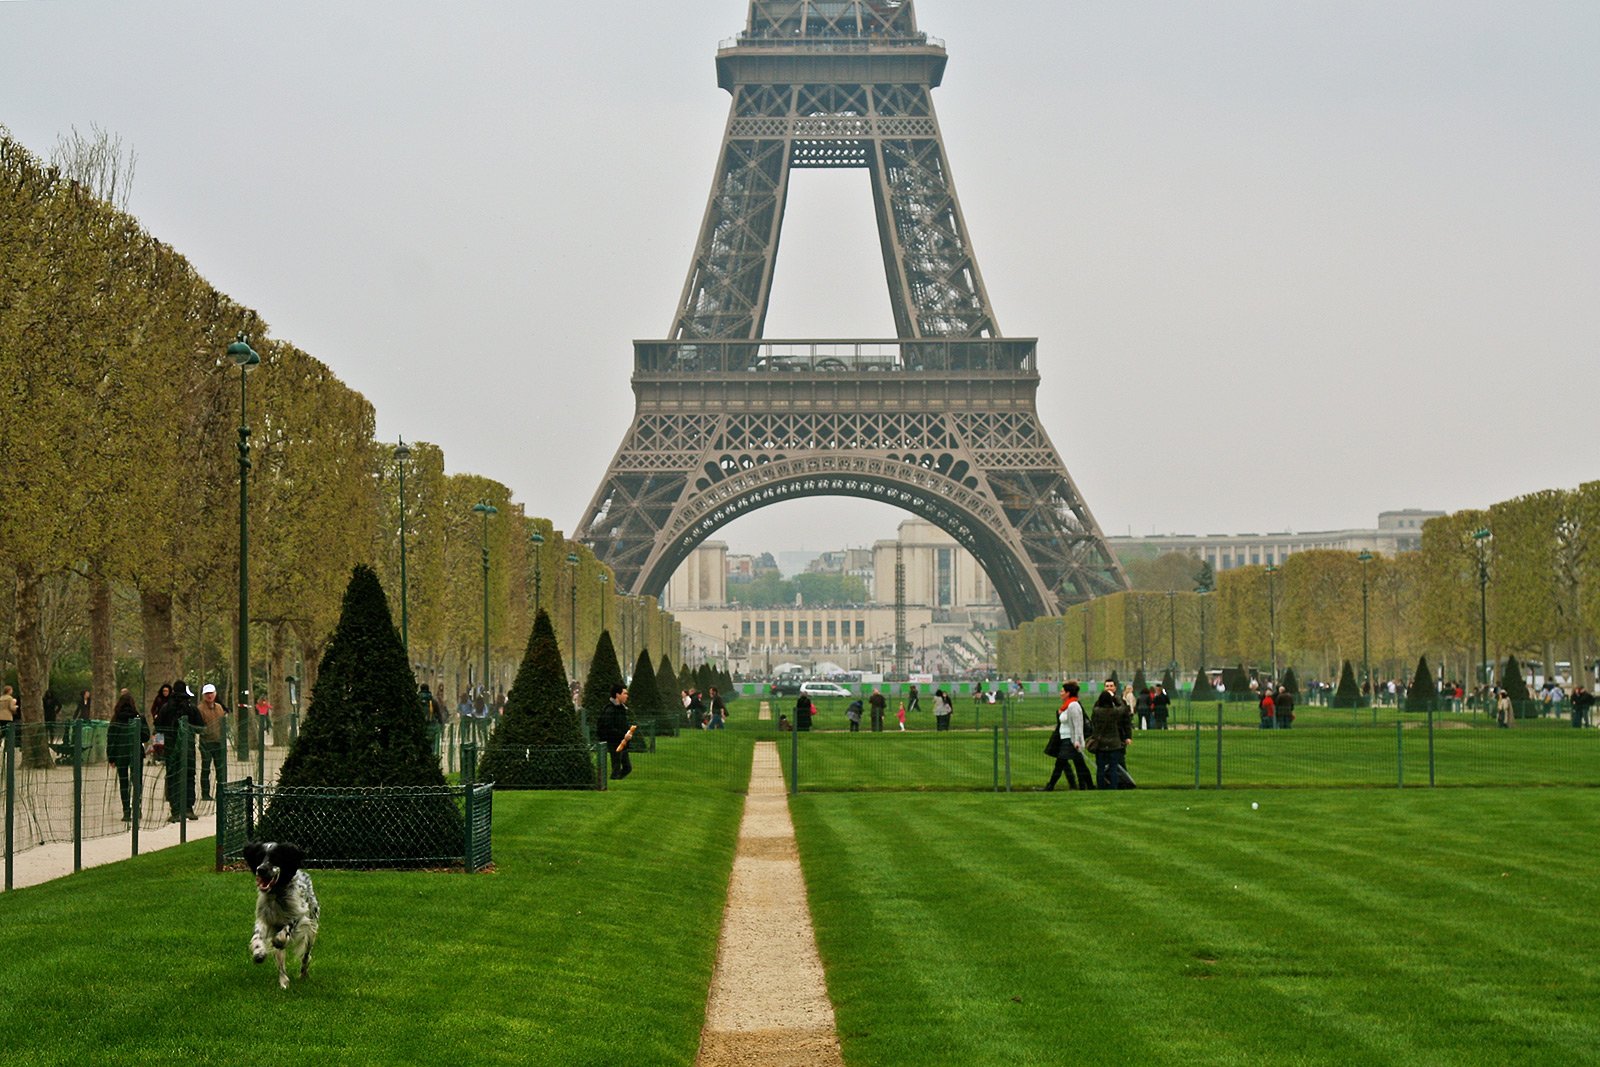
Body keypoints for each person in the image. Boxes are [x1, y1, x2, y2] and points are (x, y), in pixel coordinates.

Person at [154, 681, 205, 821]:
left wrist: (159, 746)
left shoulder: (166, 708)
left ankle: (175, 810)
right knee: (189, 776)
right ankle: (188, 808)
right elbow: (201, 727)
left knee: (173, 777)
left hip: (171, 748)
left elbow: (158, 727)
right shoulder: (191, 708)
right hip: (188, 748)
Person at [107, 689, 149, 822]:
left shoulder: (115, 720)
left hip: (120, 754)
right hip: (136, 752)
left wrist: (111, 757)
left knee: (123, 782)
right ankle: (137, 808)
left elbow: (111, 740)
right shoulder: (139, 718)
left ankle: (126, 810)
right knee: (137, 782)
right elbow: (146, 736)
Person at [1046, 682, 1093, 791]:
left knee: (1060, 764)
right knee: (1080, 765)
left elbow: (1078, 724)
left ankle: (1050, 786)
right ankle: (1088, 785)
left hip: (1070, 740)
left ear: (1068, 693)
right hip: (1065, 738)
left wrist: (1077, 740)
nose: (1060, 693)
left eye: (1062, 691)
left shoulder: (1073, 705)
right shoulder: (1066, 706)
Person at [1089, 682, 1135, 789]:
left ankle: (1101, 786)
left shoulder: (1096, 710)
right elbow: (1123, 709)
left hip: (1100, 742)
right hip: (1114, 742)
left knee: (1100, 768)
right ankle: (1114, 786)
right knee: (1114, 767)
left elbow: (1093, 721)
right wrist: (1115, 699)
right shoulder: (1114, 711)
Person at [596, 684, 634, 781]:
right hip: (614, 742)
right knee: (616, 767)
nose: (627, 696)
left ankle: (615, 781)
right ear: (617, 695)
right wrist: (623, 735)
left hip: (622, 741)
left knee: (627, 767)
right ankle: (613, 782)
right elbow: (608, 728)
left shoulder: (622, 709)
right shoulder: (610, 710)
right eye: (625, 693)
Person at [197, 683, 228, 800]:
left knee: (220, 768)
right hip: (206, 742)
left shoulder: (220, 708)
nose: (209, 696)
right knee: (206, 768)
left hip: (219, 742)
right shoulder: (200, 709)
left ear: (215, 694)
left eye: (211, 693)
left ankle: (222, 792)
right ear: (204, 695)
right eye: (207, 694)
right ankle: (205, 793)